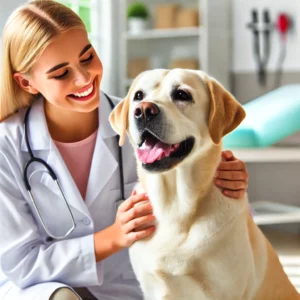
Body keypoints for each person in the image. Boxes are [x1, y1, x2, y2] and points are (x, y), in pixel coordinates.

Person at [0, 1, 249, 299]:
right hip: (41, 288)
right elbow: (22, 262)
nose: (83, 79)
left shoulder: (147, 121)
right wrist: (113, 238)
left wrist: (226, 182)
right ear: (26, 82)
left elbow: (213, 219)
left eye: (87, 57)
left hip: (127, 288)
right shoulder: (7, 145)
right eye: (61, 73)